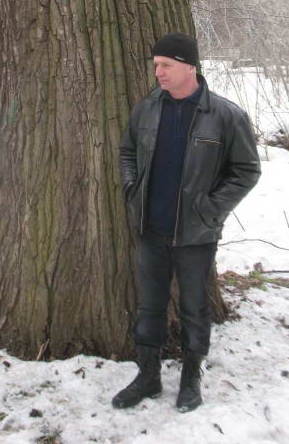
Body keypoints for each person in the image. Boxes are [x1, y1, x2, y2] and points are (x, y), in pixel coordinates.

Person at [112, 32, 261, 412]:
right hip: (150, 228)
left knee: (195, 307)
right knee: (150, 306)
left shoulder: (226, 116)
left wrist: (210, 209)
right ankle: (147, 377)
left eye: (166, 66)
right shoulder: (147, 108)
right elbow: (128, 150)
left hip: (195, 234)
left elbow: (246, 171)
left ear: (188, 67)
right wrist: (132, 187)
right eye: (156, 65)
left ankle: (191, 378)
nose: (158, 72)